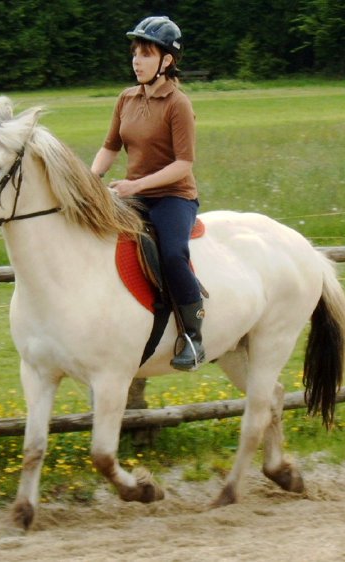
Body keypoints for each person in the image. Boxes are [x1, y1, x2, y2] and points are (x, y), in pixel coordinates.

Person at [90, 15, 204, 371]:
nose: (136, 61)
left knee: (171, 255)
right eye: (135, 54)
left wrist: (136, 185)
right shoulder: (126, 99)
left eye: (145, 54)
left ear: (166, 61)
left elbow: (183, 164)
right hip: (132, 195)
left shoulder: (178, 104)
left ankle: (193, 335)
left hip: (173, 196)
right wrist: (89, 180)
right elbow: (110, 148)